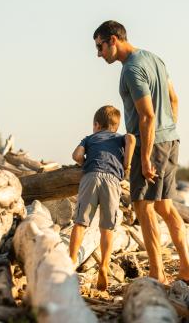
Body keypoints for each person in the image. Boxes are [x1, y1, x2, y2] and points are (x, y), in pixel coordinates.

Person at [92, 20, 189, 284]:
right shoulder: (154, 59)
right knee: (165, 206)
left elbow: (148, 116)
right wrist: (168, 130)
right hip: (170, 140)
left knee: (143, 206)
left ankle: (157, 273)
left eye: (100, 46)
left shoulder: (131, 69)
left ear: (113, 40)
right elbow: (174, 99)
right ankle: (186, 268)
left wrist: (145, 155)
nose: (98, 53)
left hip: (150, 143)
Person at [69, 105, 136, 291]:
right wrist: (127, 165)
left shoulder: (90, 138)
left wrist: (84, 161)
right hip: (112, 180)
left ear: (96, 125)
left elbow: (76, 155)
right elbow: (131, 138)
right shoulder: (120, 138)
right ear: (116, 125)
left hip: (91, 177)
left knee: (80, 223)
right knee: (107, 228)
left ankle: (70, 263)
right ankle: (104, 266)